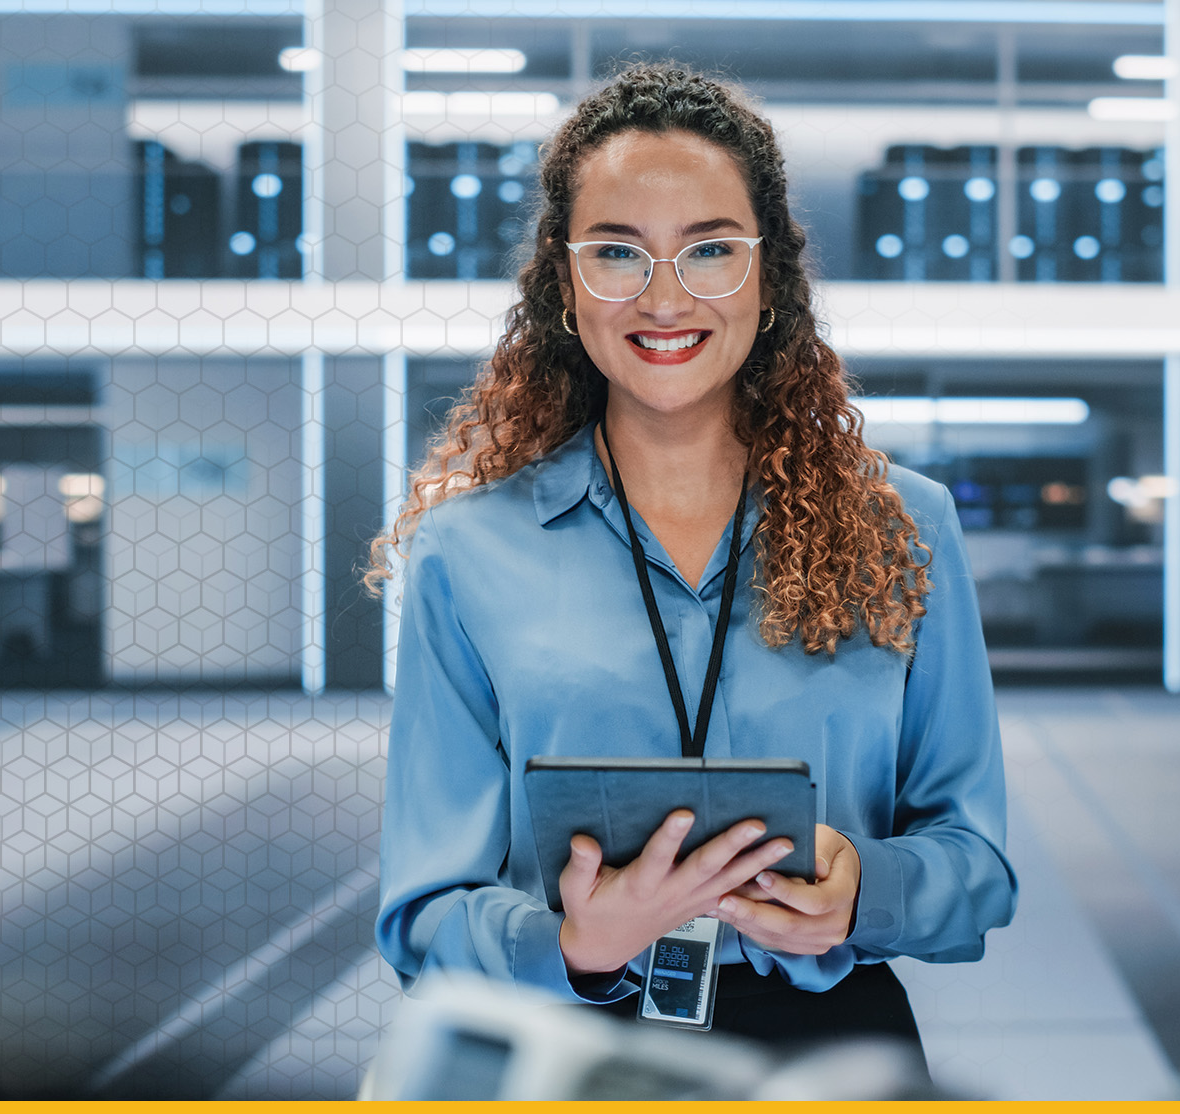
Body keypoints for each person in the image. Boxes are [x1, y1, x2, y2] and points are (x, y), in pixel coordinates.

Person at [367, 62, 1016, 1052]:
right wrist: (572, 942)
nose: (664, 298)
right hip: (564, 1044)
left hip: (829, 1047)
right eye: (616, 253)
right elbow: (421, 912)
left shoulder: (904, 527)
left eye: (709, 249)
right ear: (564, 283)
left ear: (769, 276)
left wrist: (864, 892)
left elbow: (977, 863)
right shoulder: (467, 551)